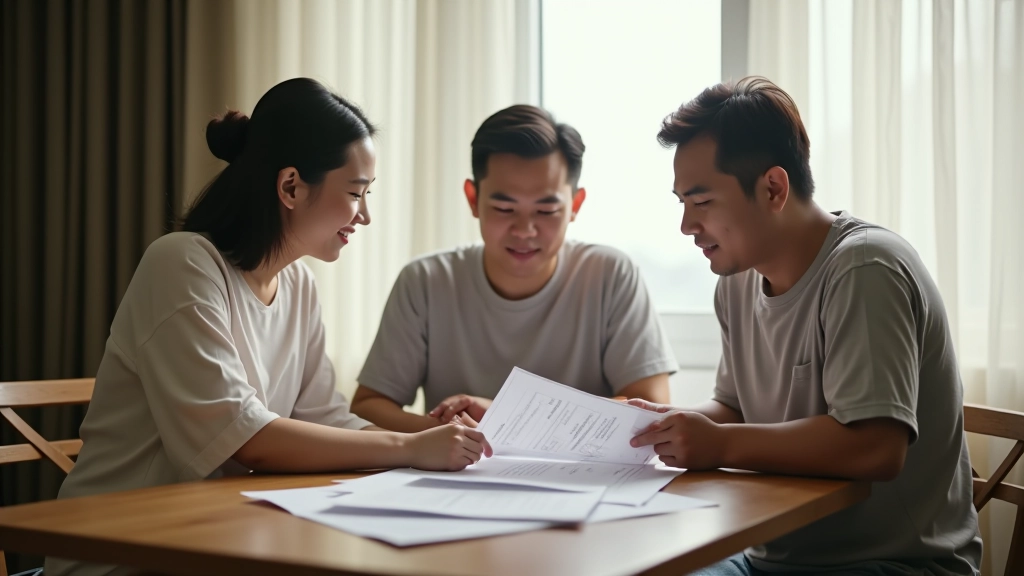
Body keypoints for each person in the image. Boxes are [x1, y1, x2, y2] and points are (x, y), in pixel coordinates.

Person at [46, 78, 490, 576]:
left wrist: (431, 438)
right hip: (119, 556)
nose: (364, 215)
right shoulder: (182, 263)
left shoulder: (296, 285)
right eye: (354, 193)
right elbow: (242, 434)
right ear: (291, 186)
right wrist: (409, 448)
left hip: (215, 541)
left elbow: (326, 419)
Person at [630, 77, 981, 575]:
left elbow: (876, 447)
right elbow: (732, 408)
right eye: (681, 202)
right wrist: (666, 427)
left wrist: (720, 444)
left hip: (895, 564)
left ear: (773, 187)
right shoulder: (736, 280)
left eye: (702, 202)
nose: (687, 224)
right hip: (771, 557)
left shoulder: (864, 268)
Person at [351, 105, 678, 432]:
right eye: (504, 208)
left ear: (575, 206)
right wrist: (446, 437)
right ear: (472, 199)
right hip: (457, 475)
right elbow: (368, 406)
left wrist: (506, 416)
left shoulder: (610, 275)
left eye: (546, 210)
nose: (524, 230)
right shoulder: (426, 281)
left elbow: (648, 405)